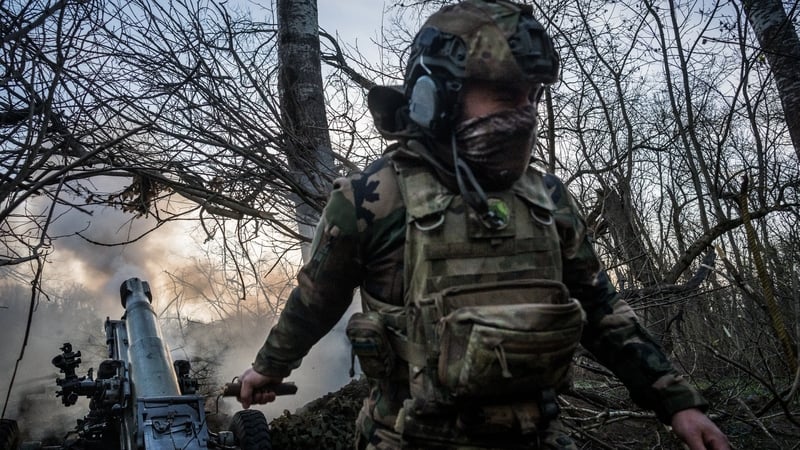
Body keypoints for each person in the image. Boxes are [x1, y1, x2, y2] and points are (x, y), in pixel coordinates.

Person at [237, 1, 730, 449]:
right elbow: (315, 301)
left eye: (532, 96)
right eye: (504, 95)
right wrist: (268, 368)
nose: (527, 113)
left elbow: (600, 308)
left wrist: (677, 403)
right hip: (410, 438)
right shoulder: (374, 197)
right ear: (436, 96)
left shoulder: (546, 197)